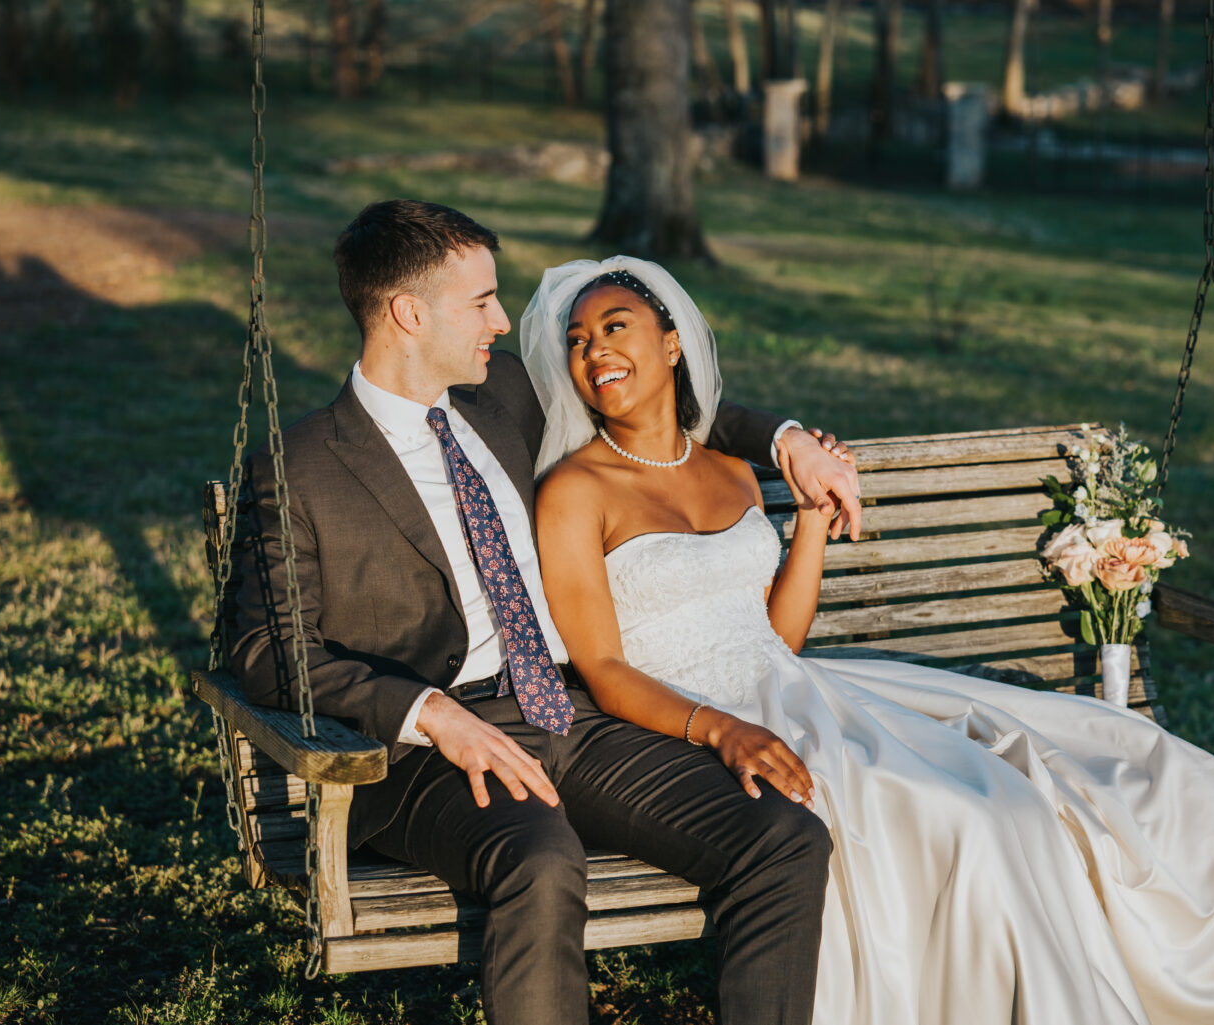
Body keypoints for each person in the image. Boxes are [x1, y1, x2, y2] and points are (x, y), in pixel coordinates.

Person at [526, 255, 1214, 1025]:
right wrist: (722, 728)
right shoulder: (574, 491)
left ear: (671, 345)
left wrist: (815, 529)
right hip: (692, 718)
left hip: (797, 687)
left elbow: (775, 634)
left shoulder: (732, 470)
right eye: (577, 338)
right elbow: (601, 667)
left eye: (616, 326)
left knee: (1057, 777)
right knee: (972, 819)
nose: (595, 349)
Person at [230, 201, 860, 1025]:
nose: (504, 318)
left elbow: (667, 403)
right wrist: (431, 714)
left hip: (569, 712)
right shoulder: (301, 465)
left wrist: (784, 441)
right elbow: (265, 651)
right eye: (482, 301)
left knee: (783, 837)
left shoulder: (504, 402)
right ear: (409, 314)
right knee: (542, 856)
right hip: (426, 754)